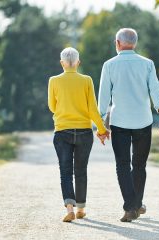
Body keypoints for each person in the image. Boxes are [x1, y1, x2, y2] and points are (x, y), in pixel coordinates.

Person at [98, 28, 159, 222]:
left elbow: (103, 99)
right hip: (143, 122)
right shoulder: (147, 64)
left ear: (117, 43)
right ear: (135, 44)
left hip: (119, 122)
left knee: (122, 165)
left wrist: (100, 126)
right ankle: (135, 205)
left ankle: (131, 207)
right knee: (139, 165)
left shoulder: (109, 65)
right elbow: (156, 92)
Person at [48, 47, 110, 222]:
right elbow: (92, 109)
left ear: (62, 63)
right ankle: (81, 209)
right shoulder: (87, 80)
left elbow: (52, 106)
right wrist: (102, 129)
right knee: (81, 171)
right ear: (78, 63)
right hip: (84, 132)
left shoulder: (53, 81)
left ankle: (69, 208)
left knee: (65, 171)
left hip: (62, 131)